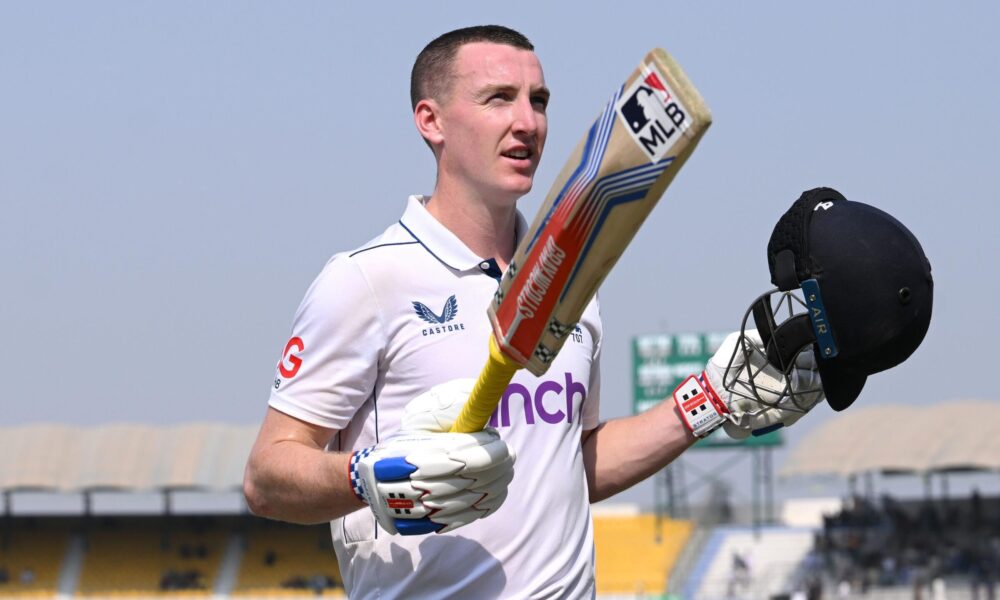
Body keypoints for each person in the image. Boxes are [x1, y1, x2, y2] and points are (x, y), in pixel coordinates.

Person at [244, 25, 929, 598]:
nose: (528, 121)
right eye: (498, 98)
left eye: (539, 100)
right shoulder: (367, 280)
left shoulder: (572, 282)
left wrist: (709, 399)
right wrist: (368, 474)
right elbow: (268, 475)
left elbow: (570, 463)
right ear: (431, 121)